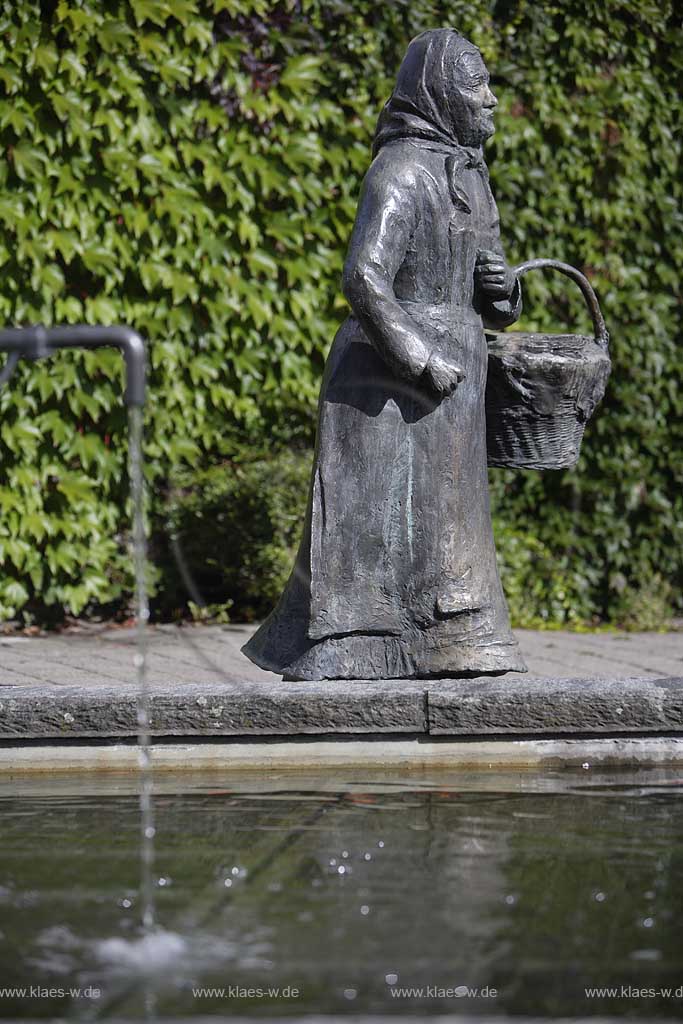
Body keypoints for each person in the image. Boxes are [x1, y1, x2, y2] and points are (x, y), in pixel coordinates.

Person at [243, 28, 527, 680]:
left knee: (449, 529)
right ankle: (349, 647)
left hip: (455, 377)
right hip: (386, 384)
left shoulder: (471, 178)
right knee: (370, 532)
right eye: (473, 84)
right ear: (435, 93)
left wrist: (504, 292)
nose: (488, 100)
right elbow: (363, 279)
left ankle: (457, 642)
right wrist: (419, 357)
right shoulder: (400, 171)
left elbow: (493, 289)